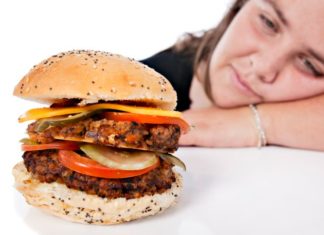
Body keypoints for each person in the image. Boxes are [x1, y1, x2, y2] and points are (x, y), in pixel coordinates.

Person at [141, 0, 324, 151]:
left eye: (309, 64)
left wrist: (254, 123)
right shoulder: (138, 91)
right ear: (239, 6)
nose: (263, 67)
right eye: (268, 22)